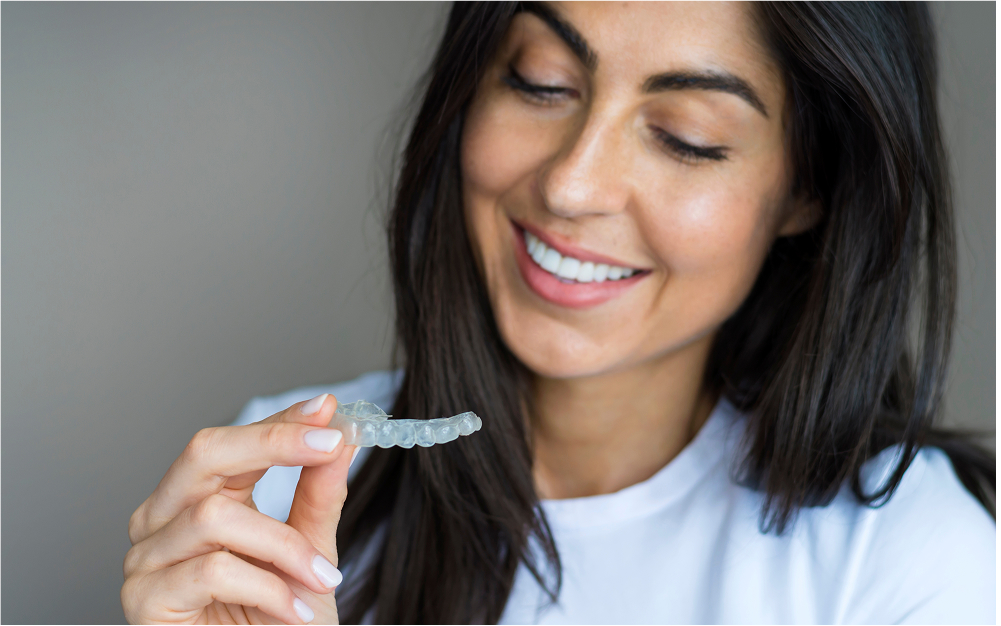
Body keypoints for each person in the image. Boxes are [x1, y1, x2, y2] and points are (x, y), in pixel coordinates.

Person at [121, 3, 996, 624]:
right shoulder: (268, 490)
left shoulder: (910, 561)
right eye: (540, 83)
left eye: (686, 136)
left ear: (810, 186)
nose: (571, 184)